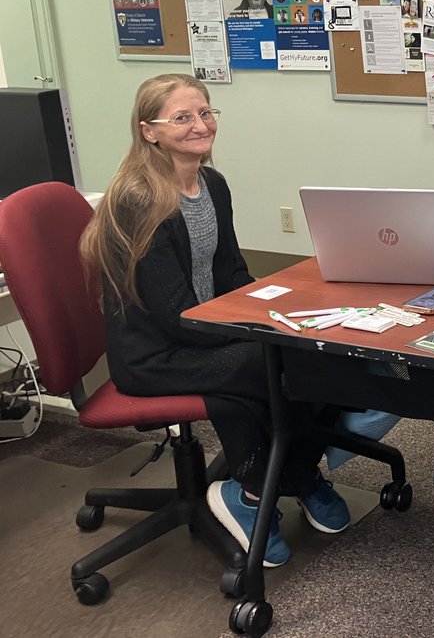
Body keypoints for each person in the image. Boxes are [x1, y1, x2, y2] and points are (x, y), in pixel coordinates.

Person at [79, 74, 350, 568]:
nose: (200, 125)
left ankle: (293, 473)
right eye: (182, 117)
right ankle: (252, 491)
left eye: (206, 113)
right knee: (266, 366)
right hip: (156, 353)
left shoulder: (212, 184)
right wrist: (258, 337)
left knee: (307, 348)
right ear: (149, 131)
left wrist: (272, 314)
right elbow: (175, 315)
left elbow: (231, 273)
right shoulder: (140, 201)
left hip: (205, 330)